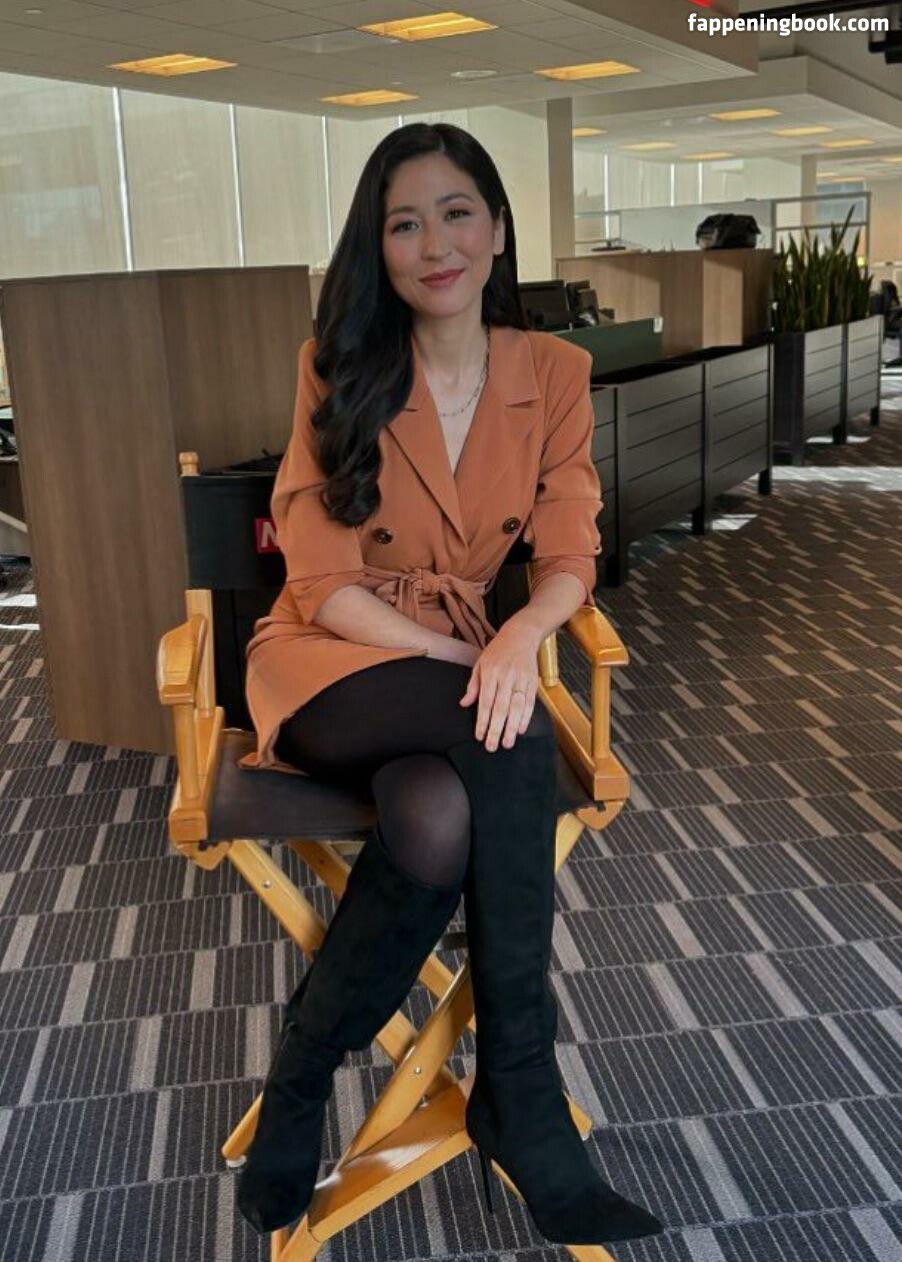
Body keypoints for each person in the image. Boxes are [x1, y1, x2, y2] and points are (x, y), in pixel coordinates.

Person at [235, 121, 664, 1248]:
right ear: (377, 249)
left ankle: (300, 1074)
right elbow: (322, 582)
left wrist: (521, 630)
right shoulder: (336, 366)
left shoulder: (552, 373)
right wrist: (473, 661)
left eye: (456, 213)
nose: (435, 244)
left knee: (435, 816)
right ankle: (521, 1091)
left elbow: (570, 549)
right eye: (404, 223)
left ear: (499, 229)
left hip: (467, 657)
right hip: (334, 654)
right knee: (507, 735)